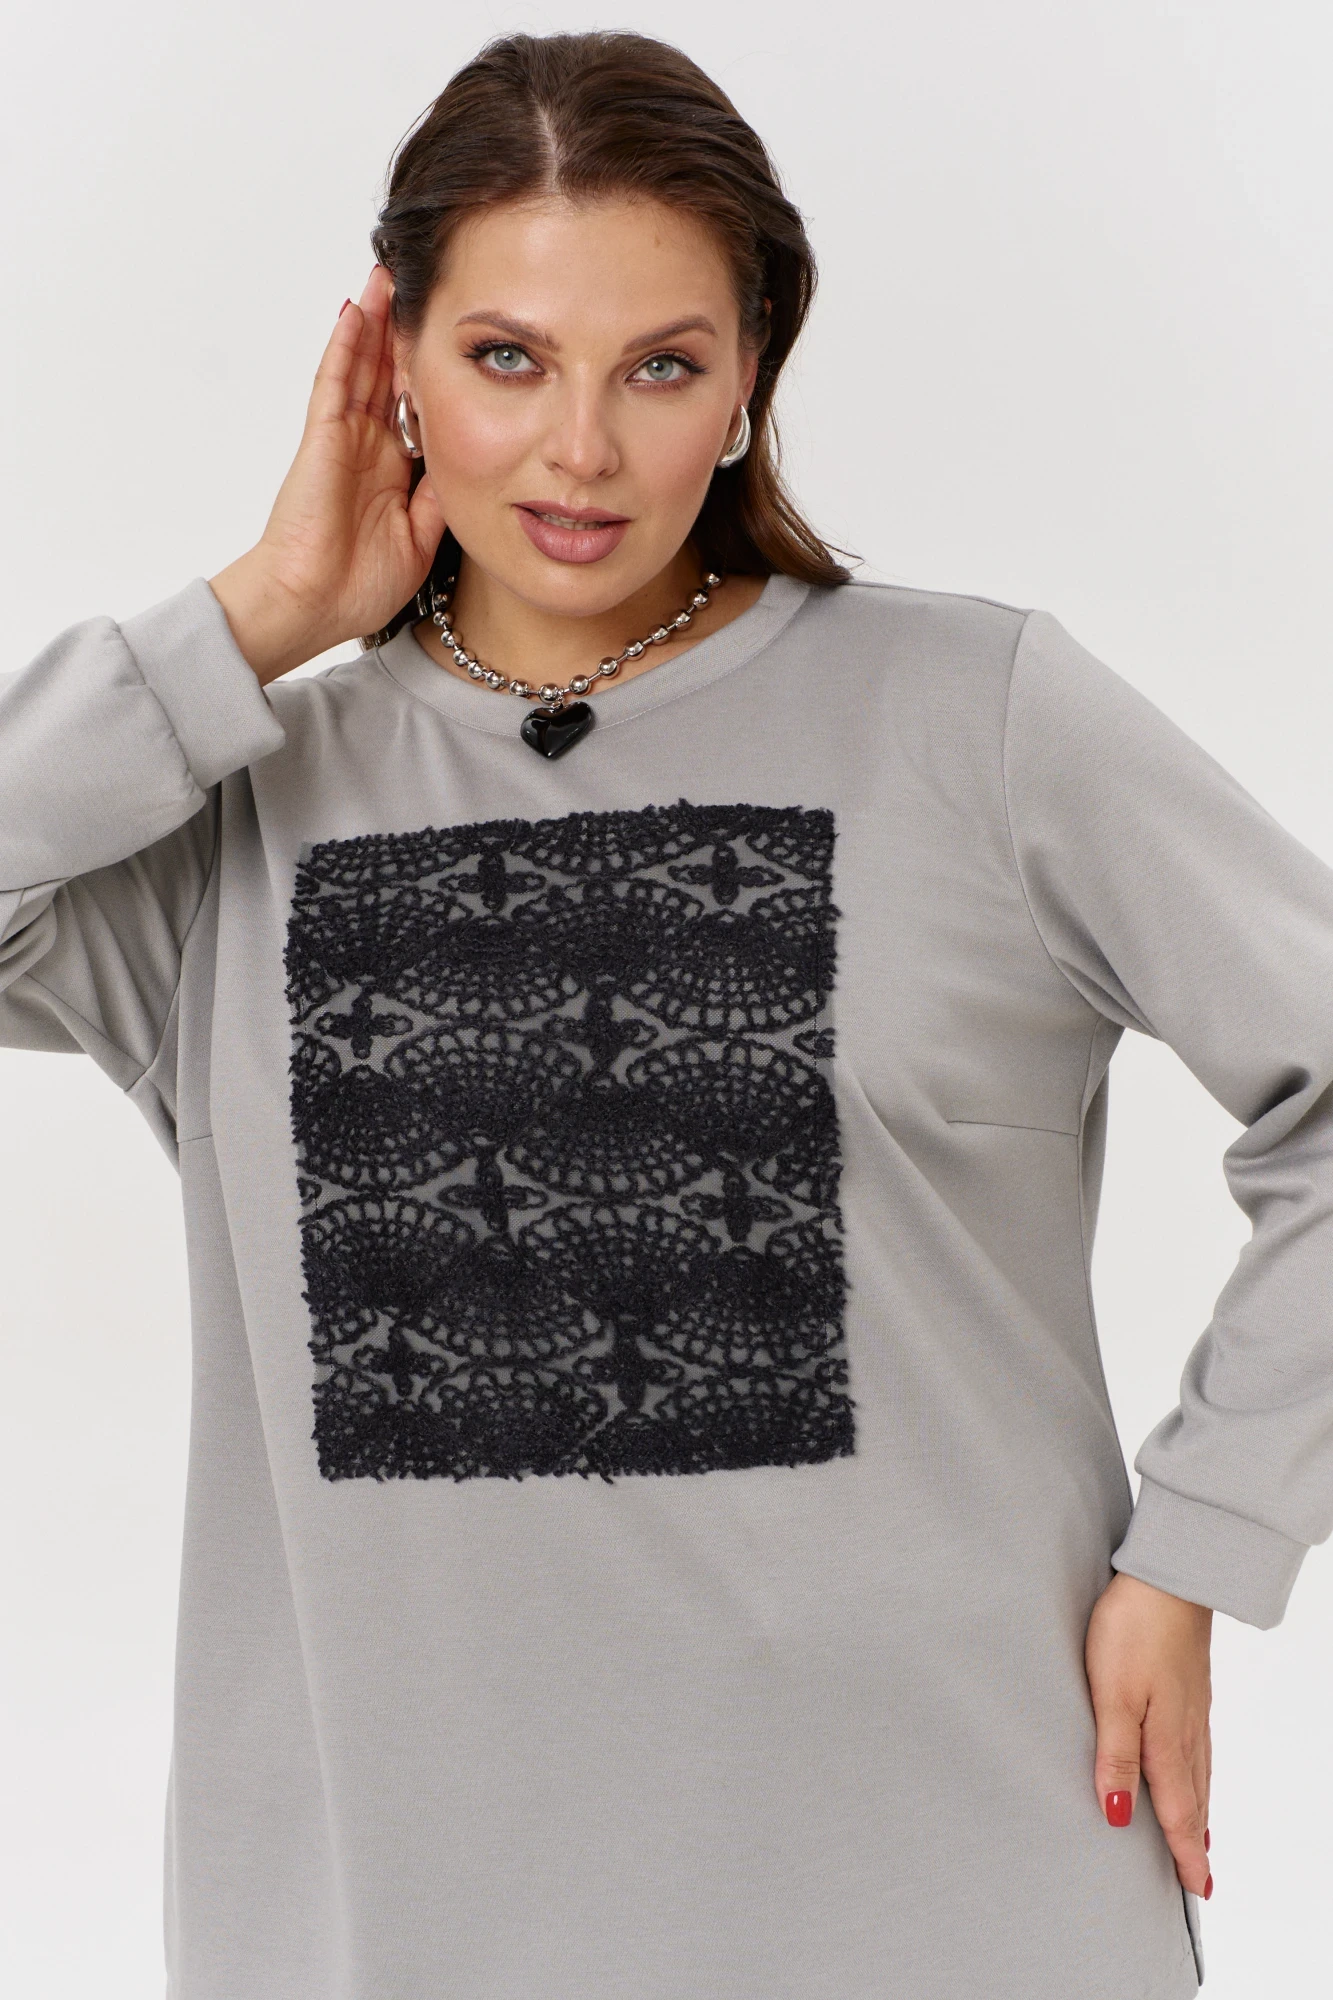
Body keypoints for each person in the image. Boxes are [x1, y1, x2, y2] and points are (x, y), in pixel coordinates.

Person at [2, 26, 1331, 1999]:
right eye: (508, 357)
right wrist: (258, 614)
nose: (581, 451)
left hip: (946, 1894)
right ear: (391, 361)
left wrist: (1203, 1544)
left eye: (660, 365)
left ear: (749, 377)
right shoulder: (239, 818)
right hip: (393, 1935)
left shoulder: (978, 722)